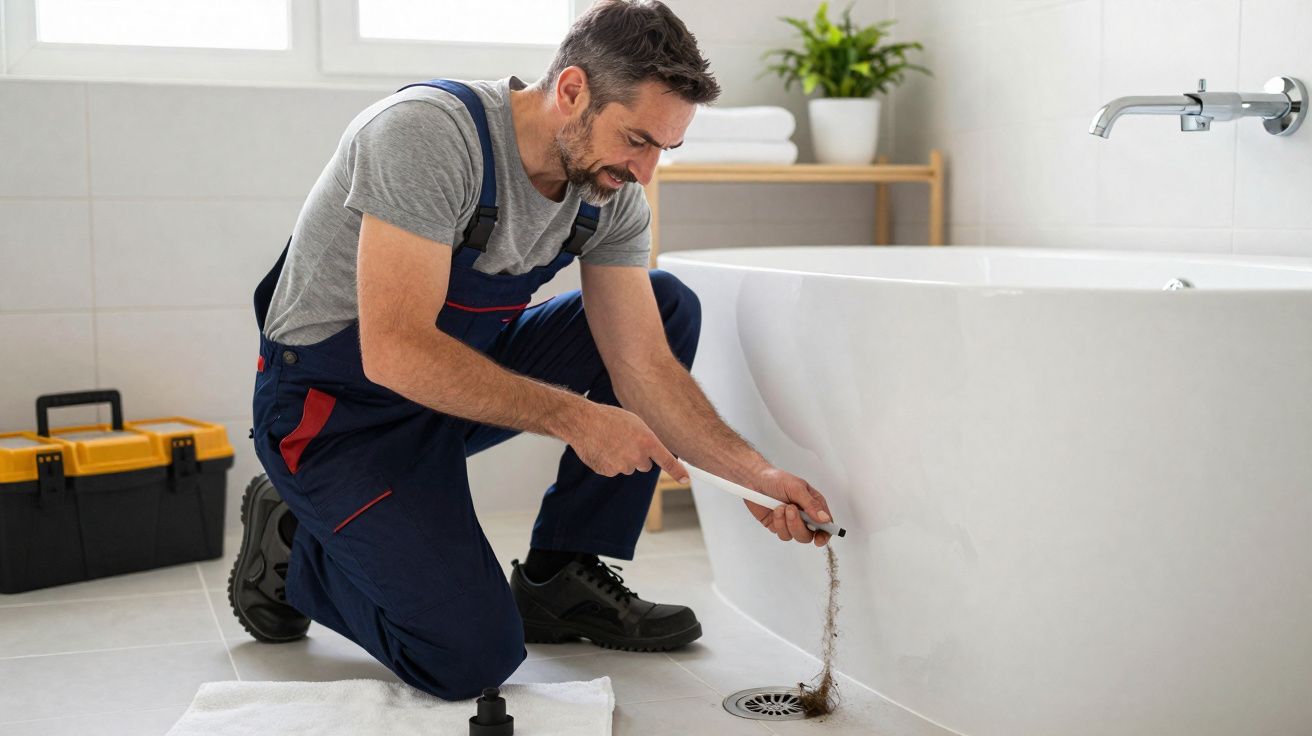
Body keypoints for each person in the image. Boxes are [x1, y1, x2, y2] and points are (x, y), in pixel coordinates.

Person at [229, 0, 834, 701]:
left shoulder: (610, 195)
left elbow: (642, 364)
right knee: (469, 657)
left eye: (662, 149)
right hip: (335, 416)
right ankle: (298, 545)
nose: (645, 173)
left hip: (443, 394)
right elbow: (393, 351)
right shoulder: (427, 135)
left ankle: (557, 577)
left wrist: (752, 473)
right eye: (636, 139)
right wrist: (578, 420)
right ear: (572, 90)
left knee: (666, 308)